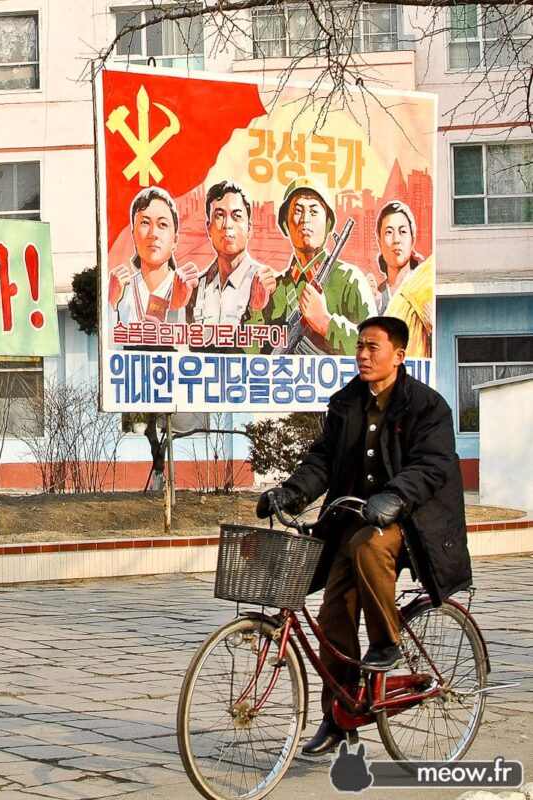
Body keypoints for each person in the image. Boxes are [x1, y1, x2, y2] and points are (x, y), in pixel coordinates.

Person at [256, 316, 471, 758]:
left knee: (369, 544)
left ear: (399, 355)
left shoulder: (428, 407)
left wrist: (394, 496)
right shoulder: (346, 402)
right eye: (359, 346)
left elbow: (433, 464)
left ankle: (387, 641)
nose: (364, 355)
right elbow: (323, 460)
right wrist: (290, 493)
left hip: (408, 525)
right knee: (333, 615)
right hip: (350, 522)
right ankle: (338, 715)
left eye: (374, 347)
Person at [245, 177, 374, 355]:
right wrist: (255, 311)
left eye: (314, 211)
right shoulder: (273, 289)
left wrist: (326, 324)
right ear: (285, 224)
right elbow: (244, 359)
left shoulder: (350, 280)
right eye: (298, 210)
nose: (305, 219)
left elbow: (376, 348)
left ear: (328, 224)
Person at [185, 180, 269, 338]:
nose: (227, 224)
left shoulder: (266, 285)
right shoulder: (196, 289)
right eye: (219, 216)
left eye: (237, 216)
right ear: (209, 228)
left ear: (249, 228)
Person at [108, 186, 199, 327]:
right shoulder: (121, 291)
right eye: (145, 223)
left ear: (175, 240)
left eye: (162, 224)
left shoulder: (189, 290)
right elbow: (110, 343)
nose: (153, 233)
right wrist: (111, 303)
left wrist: (178, 306)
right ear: (133, 234)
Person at [374, 201, 433, 357]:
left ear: (412, 239)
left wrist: (434, 329)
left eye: (402, 231)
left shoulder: (425, 290)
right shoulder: (374, 296)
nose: (396, 240)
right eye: (388, 232)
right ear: (379, 241)